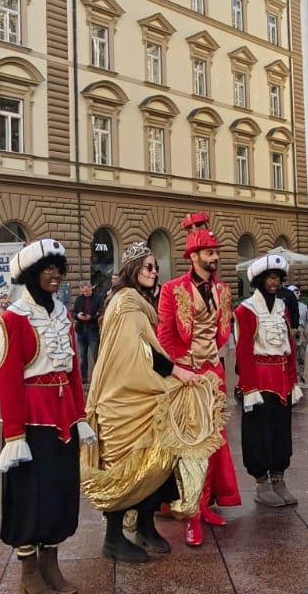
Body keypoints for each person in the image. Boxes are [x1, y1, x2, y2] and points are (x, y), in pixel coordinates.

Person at [83, 242, 220, 563]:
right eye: (147, 267)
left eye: (156, 267)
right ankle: (113, 538)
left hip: (142, 396)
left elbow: (148, 348)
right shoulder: (127, 301)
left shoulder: (140, 300)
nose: (154, 271)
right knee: (123, 467)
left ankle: (145, 526)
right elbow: (136, 351)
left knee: (153, 465)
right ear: (132, 270)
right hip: (123, 400)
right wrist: (176, 372)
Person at [0, 239, 90, 594]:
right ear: (32, 275)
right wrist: (14, 434)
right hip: (31, 421)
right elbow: (7, 379)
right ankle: (28, 571)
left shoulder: (63, 315)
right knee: (28, 495)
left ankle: (51, 563)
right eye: (47, 269)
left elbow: (73, 371)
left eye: (58, 269)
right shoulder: (14, 319)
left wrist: (80, 414)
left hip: (63, 417)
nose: (55, 275)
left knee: (58, 491)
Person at [155, 214, 241, 547]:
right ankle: (190, 514)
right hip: (186, 375)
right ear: (193, 256)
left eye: (216, 252)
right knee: (191, 445)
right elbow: (165, 334)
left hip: (213, 373)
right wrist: (180, 371)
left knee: (214, 442)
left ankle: (204, 505)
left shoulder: (223, 290)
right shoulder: (172, 290)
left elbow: (223, 331)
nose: (215, 257)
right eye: (208, 253)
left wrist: (214, 365)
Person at [235, 255, 303, 509]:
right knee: (258, 433)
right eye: (270, 278)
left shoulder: (283, 308)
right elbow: (243, 352)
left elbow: (290, 348)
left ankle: (279, 479)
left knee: (280, 432)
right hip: (259, 377)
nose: (274, 282)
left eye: (277, 278)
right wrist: (249, 387)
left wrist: (293, 379)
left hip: (281, 377)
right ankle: (262, 483)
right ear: (260, 280)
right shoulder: (245, 310)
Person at [69, 281, 104, 383]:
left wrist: (92, 317)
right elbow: (74, 312)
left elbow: (102, 312)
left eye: (87, 290)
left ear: (91, 288)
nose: (86, 293)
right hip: (81, 330)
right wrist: (77, 315)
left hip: (93, 329)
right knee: (82, 356)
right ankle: (84, 378)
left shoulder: (98, 297)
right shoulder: (79, 299)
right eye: (83, 291)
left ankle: (99, 378)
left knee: (95, 354)